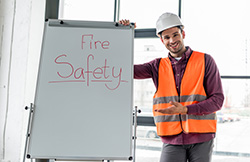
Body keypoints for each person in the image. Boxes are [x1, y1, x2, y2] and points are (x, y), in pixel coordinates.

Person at [120, 12, 224, 162]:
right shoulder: (156, 66)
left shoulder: (205, 61)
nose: (172, 40)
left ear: (183, 33)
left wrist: (186, 109)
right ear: (162, 40)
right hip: (171, 138)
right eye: (167, 37)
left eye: (175, 35)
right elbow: (125, 68)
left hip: (201, 137)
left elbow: (218, 100)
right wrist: (123, 35)